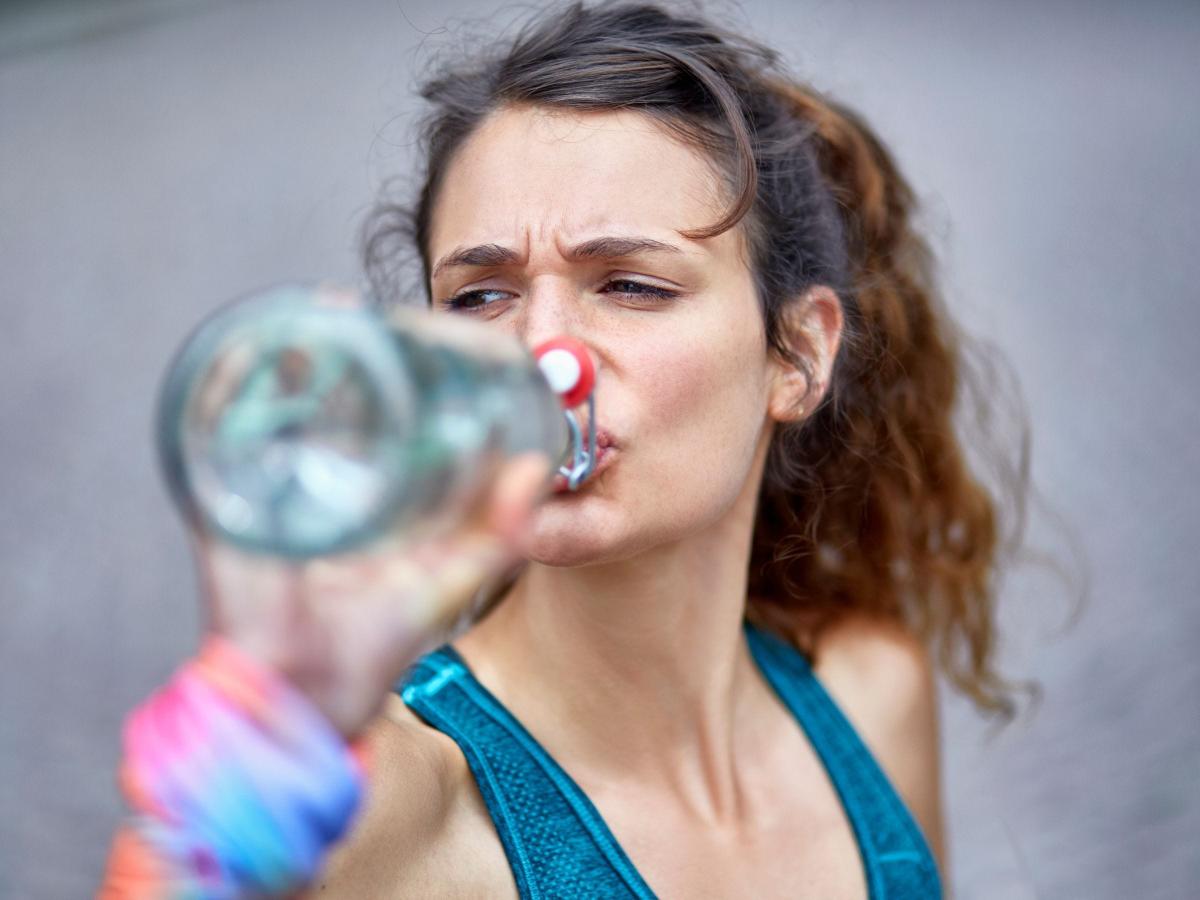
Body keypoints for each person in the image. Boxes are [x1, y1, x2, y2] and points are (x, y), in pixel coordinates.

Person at [102, 2, 1032, 897]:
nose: (546, 359)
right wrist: (265, 738)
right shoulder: (400, 809)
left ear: (798, 353)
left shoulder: (872, 698)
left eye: (630, 285)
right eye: (480, 297)